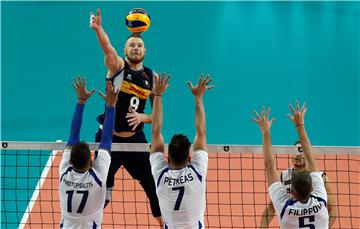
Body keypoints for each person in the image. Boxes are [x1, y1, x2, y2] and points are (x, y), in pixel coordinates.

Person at [89, 8, 162, 224]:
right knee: (101, 192)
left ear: (145, 50)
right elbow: (107, 49)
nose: (136, 48)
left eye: (139, 45)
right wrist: (98, 29)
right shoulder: (118, 67)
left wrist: (143, 118)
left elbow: (157, 117)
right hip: (108, 142)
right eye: (132, 45)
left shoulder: (152, 76)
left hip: (135, 143)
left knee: (153, 187)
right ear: (125, 49)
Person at [150, 74, 214, 228]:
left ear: (168, 158)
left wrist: (158, 95)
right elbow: (202, 132)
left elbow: (155, 132)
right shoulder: (197, 171)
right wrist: (198, 98)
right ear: (190, 158)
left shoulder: (160, 174)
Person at [252, 101, 329, 228]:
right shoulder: (320, 201)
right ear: (311, 188)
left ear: (291, 191)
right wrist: (300, 125)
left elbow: (269, 167)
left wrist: (266, 132)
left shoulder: (285, 209)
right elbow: (311, 158)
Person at [59, 77, 119, 228]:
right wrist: (111, 105)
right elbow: (106, 139)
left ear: (71, 161)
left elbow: (75, 137)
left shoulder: (65, 172)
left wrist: (81, 101)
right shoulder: (97, 176)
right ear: (91, 162)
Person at [260, 141, 337, 228]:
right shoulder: (284, 176)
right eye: (295, 152)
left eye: (301, 151)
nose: (297, 155)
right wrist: (263, 226)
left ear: (308, 154)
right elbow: (271, 207)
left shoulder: (321, 179)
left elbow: (332, 212)